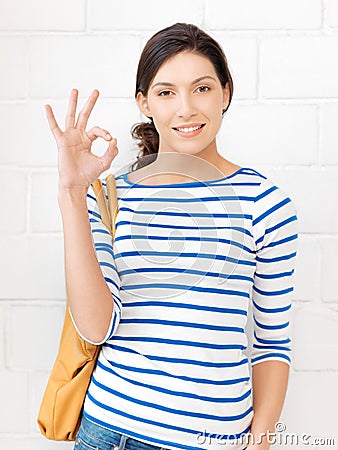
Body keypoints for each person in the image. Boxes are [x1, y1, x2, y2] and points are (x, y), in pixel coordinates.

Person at [45, 23, 298, 450]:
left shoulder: (264, 202)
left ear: (226, 93)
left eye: (202, 88)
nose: (186, 109)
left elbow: (272, 339)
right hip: (112, 432)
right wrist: (72, 193)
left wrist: (261, 441)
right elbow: (96, 327)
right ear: (144, 102)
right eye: (166, 93)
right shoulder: (111, 193)